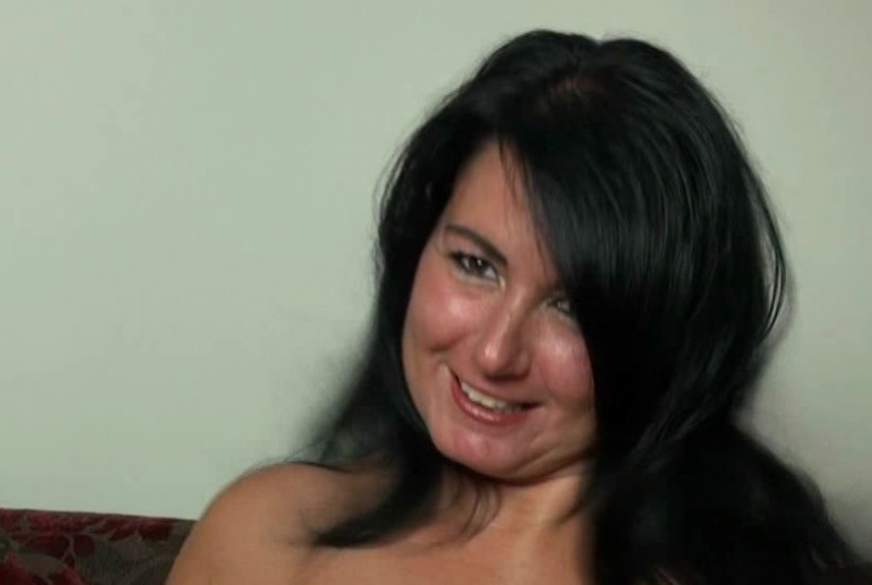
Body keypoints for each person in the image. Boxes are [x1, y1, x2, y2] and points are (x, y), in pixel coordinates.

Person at [166, 30, 870, 585]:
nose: (495, 352)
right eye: (475, 265)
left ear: (664, 337)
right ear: (417, 248)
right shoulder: (262, 534)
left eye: (571, 307)